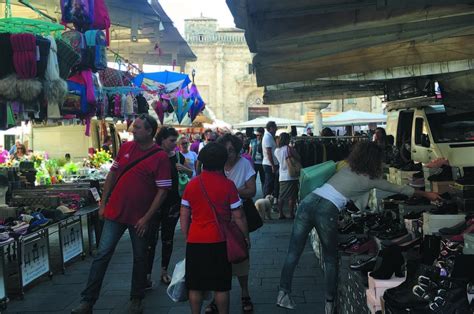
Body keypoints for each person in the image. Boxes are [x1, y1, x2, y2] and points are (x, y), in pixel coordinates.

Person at [276, 142, 442, 313]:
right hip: (327, 210)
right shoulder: (371, 179)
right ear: (375, 160)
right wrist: (427, 194)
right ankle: (329, 303)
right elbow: (401, 188)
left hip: (309, 201)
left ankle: (283, 294)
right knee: (330, 258)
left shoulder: (345, 167)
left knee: (293, 252)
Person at [71, 114, 171, 314]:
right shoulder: (126, 148)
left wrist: (146, 218)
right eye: (134, 127)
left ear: (150, 131)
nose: (133, 130)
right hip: (115, 212)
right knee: (102, 255)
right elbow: (113, 175)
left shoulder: (160, 156)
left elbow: (163, 191)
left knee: (140, 257)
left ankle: (136, 298)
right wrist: (103, 202)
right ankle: (87, 302)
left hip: (140, 218)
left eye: (138, 127)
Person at [180, 143, 249, 314]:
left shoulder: (192, 185)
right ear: (223, 162)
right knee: (221, 287)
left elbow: (184, 214)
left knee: (195, 286)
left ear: (202, 162)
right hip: (220, 241)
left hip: (195, 241)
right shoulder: (228, 185)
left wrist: (187, 235)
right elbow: (238, 215)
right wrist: (245, 236)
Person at [204, 134, 256, 313]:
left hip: (237, 217)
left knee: (240, 256)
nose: (229, 154)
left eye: (232, 151)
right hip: (216, 218)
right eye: (225, 151)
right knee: (216, 258)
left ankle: (244, 293)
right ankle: (216, 297)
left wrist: (232, 191)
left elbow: (252, 190)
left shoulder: (245, 164)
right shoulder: (214, 166)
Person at [145, 127, 193, 287]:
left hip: (173, 204)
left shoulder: (178, 156)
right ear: (162, 140)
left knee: (168, 239)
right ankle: (146, 274)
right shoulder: (153, 155)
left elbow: (190, 174)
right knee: (150, 240)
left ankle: (164, 271)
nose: (175, 144)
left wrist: (185, 169)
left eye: (175, 140)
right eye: (172, 141)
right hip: (154, 203)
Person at [274, 133, 300, 219]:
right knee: (292, 196)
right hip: (292, 175)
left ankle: (280, 213)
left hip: (282, 176)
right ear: (287, 139)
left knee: (281, 196)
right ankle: (291, 213)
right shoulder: (289, 148)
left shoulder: (276, 151)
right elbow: (298, 157)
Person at [262, 121, 279, 201]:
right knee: (269, 183)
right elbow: (269, 152)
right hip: (269, 164)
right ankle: (266, 200)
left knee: (271, 183)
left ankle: (269, 200)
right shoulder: (268, 137)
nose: (276, 129)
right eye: (275, 127)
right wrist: (272, 165)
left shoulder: (270, 136)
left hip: (271, 163)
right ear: (271, 128)